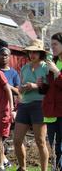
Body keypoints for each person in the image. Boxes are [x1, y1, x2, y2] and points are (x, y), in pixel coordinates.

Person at [13, 39, 49, 171]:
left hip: (40, 105)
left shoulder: (46, 67)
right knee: (17, 140)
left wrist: (34, 86)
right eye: (30, 52)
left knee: (40, 141)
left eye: (35, 52)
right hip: (24, 105)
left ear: (41, 53)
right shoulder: (24, 68)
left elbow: (49, 87)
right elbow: (20, 88)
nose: (32, 54)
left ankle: (44, 170)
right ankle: (23, 168)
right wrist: (21, 89)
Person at [38, 32, 62, 170]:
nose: (52, 47)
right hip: (51, 111)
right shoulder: (53, 62)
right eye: (51, 44)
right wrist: (42, 85)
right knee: (54, 145)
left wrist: (57, 72)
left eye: (55, 44)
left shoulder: (54, 66)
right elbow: (51, 89)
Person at [0, 47, 21, 168]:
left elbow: (18, 91)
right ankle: (4, 161)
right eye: (1, 55)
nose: (3, 57)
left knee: (3, 136)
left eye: (6, 55)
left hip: (8, 107)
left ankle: (3, 161)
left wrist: (7, 86)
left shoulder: (13, 73)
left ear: (9, 57)